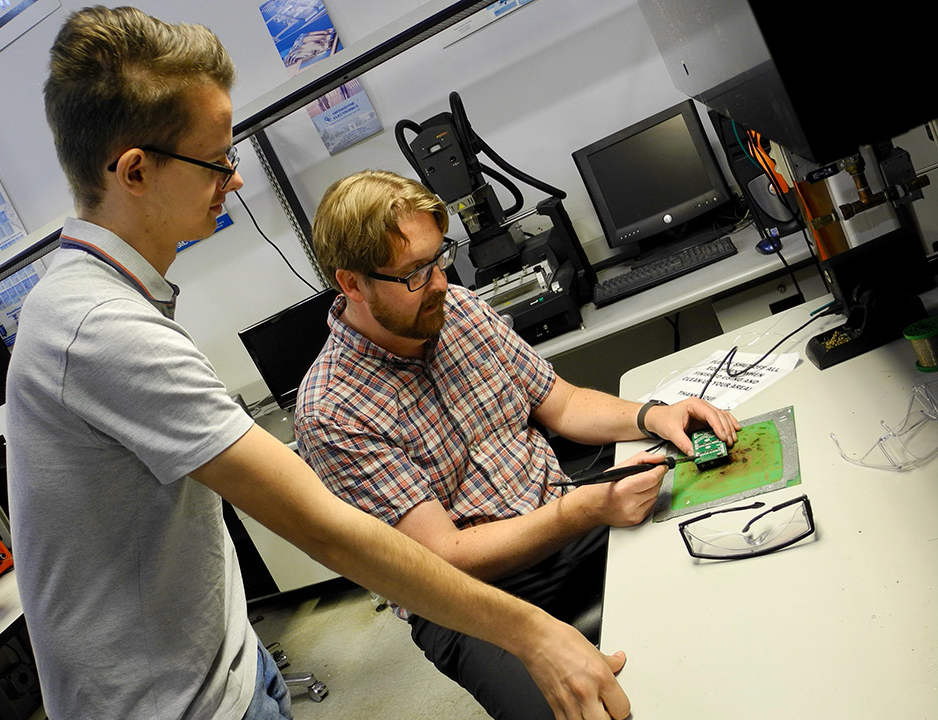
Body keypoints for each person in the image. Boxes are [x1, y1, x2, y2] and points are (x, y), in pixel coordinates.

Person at [6, 8, 638, 720]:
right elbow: (326, 527)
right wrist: (534, 635)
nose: (234, 181)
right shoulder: (100, 327)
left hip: (228, 665)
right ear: (135, 171)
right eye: (217, 160)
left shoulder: (106, 302)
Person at [294, 169, 741, 720]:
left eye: (439, 258)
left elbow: (564, 403)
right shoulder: (332, 410)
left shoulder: (459, 309)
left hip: (567, 519)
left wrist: (653, 414)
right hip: (469, 601)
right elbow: (445, 558)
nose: (438, 283)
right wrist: (577, 512)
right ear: (352, 284)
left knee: (730, 568)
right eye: (414, 273)